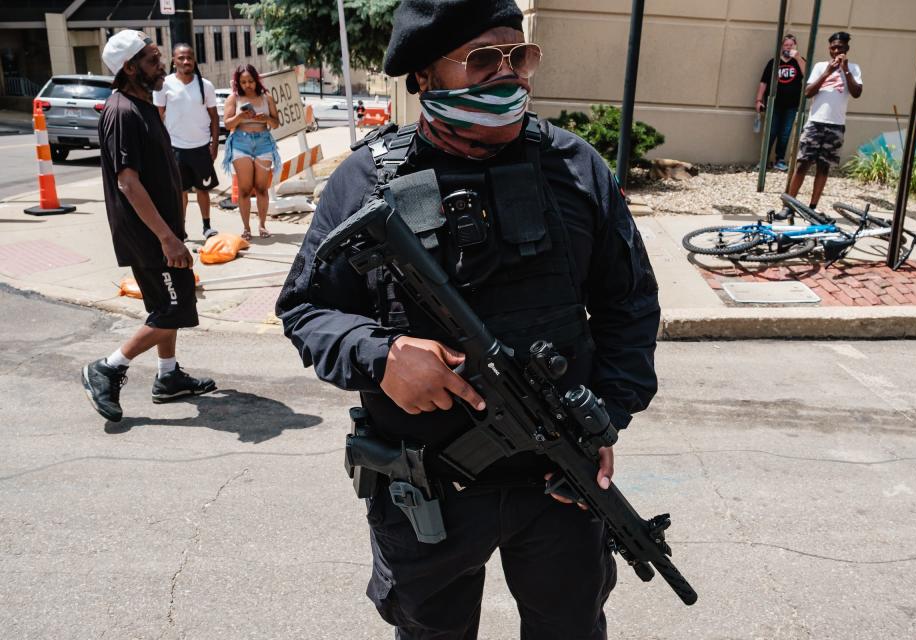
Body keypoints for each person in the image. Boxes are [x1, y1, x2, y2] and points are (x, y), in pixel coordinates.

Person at [275, 1, 660, 637]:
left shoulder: (574, 166)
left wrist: (606, 415)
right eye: (482, 59)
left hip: (559, 483)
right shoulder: (368, 177)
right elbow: (307, 307)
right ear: (424, 77)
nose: (507, 75)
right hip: (428, 490)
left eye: (520, 56)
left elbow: (630, 303)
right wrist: (383, 355)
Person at [82, 30, 215, 423]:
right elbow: (128, 181)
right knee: (176, 308)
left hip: (160, 229)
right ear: (129, 67)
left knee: (165, 305)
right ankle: (108, 367)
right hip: (149, 234)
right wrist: (167, 238)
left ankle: (169, 376)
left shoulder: (138, 105)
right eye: (154, 60)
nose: (163, 66)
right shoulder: (123, 111)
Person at [783, 31, 862, 215]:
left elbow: (857, 92)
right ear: (829, 48)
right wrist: (828, 72)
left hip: (836, 124)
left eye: (840, 47)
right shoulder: (820, 66)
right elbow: (808, 92)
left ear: (846, 49)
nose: (836, 51)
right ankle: (789, 206)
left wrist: (846, 69)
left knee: (823, 167)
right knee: (802, 164)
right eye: (833, 47)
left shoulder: (854, 68)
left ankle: (812, 208)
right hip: (815, 122)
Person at [153, 42, 220, 239]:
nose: (186, 61)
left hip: (200, 147)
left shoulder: (205, 85)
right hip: (176, 148)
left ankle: (207, 226)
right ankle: (180, 229)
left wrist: (214, 144)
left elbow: (214, 117)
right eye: (181, 58)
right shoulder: (164, 85)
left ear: (194, 60)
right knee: (179, 192)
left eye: (189, 57)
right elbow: (158, 117)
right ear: (174, 61)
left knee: (203, 189)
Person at [221, 64, 280, 240]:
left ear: (256, 80)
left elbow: (276, 123)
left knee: (262, 188)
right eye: (243, 82)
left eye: (250, 81)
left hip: (263, 142)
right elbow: (227, 124)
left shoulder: (266, 98)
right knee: (245, 189)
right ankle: (246, 228)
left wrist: (266, 118)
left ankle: (262, 225)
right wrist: (240, 117)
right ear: (238, 82)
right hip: (241, 143)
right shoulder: (234, 98)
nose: (247, 85)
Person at [755, 34, 806, 171]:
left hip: (792, 105)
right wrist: (759, 100)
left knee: (785, 133)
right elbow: (763, 82)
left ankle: (780, 159)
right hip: (774, 104)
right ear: (781, 47)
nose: (788, 48)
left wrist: (798, 57)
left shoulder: (799, 61)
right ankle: (764, 160)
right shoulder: (773, 62)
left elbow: (807, 76)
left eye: (791, 45)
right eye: (786, 45)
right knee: (770, 132)